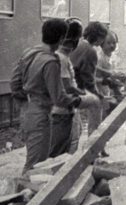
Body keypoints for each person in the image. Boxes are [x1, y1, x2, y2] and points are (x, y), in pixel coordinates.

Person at [10, 18, 75, 171]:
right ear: (61, 38)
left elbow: (14, 84)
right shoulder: (51, 62)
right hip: (40, 115)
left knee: (34, 160)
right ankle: (26, 195)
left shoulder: (29, 53)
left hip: (27, 111)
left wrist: (27, 101)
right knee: (36, 167)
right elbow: (58, 98)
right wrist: (80, 100)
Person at [49, 19, 86, 156]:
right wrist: (84, 95)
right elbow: (66, 85)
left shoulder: (60, 56)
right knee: (60, 150)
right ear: (75, 40)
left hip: (64, 110)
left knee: (67, 143)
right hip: (62, 111)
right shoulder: (62, 58)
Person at [71, 21, 106, 137]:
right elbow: (89, 81)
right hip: (72, 91)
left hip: (67, 87)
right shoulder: (90, 51)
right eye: (103, 37)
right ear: (99, 37)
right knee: (97, 103)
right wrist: (98, 94)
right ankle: (94, 142)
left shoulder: (78, 44)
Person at [95, 31, 123, 115]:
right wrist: (107, 80)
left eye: (114, 43)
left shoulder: (112, 56)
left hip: (107, 90)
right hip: (98, 90)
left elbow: (111, 72)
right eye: (109, 43)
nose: (112, 45)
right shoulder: (99, 58)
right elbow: (93, 77)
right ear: (102, 43)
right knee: (100, 115)